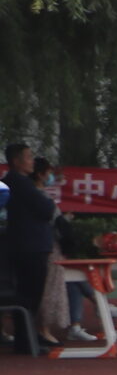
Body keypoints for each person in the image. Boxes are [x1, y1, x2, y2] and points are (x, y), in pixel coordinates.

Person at [3, 141, 59, 348]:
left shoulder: (17, 182)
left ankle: (27, 336)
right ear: (17, 162)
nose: (32, 161)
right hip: (30, 246)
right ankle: (25, 339)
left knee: (30, 292)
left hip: (28, 244)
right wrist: (49, 203)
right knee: (30, 293)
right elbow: (45, 208)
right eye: (28, 157)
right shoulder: (20, 183)